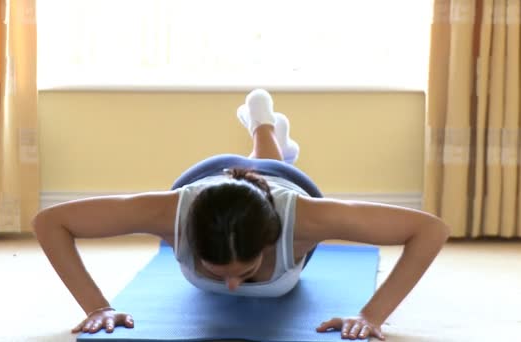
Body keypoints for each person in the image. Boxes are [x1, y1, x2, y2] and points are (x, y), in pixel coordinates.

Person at [33, 89, 450, 341]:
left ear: (270, 240)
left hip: (283, 185)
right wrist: (95, 307)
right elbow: (51, 222)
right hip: (204, 178)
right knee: (256, 164)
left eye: (246, 272)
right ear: (184, 240)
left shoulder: (308, 220)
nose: (232, 287)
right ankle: (263, 128)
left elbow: (429, 230)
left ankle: (264, 128)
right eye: (216, 272)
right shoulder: (163, 214)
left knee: (268, 164)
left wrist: (371, 314)